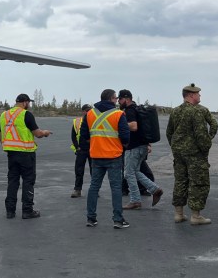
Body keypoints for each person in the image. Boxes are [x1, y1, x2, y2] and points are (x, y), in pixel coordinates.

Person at [165, 84, 218, 225]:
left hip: (179, 153)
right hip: (195, 154)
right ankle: (195, 216)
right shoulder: (196, 112)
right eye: (198, 94)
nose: (200, 96)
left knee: (180, 181)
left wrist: (176, 147)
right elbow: (201, 134)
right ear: (191, 95)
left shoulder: (175, 111)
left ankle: (179, 214)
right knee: (199, 183)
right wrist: (207, 145)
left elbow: (169, 132)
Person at [81, 89, 131, 229]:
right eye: (115, 98)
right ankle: (118, 219)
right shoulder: (118, 114)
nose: (116, 100)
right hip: (114, 155)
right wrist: (123, 146)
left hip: (96, 156)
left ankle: (91, 218)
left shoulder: (90, 113)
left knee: (94, 187)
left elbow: (84, 134)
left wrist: (92, 146)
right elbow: (125, 135)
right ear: (111, 99)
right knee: (115, 188)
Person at [0, 94, 52, 219]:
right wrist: (45, 133)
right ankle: (27, 210)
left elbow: (0, 133)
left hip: (11, 154)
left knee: (12, 181)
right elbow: (37, 133)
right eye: (29, 103)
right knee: (28, 181)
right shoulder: (26, 114)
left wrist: (6, 145)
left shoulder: (4, 115)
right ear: (25, 102)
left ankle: (10, 211)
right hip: (26, 154)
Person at [117, 89, 164, 210]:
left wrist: (118, 124)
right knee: (135, 171)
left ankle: (135, 200)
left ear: (126, 99)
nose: (119, 101)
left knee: (128, 174)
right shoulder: (137, 109)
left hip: (134, 148)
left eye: (120, 99)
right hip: (141, 146)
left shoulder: (130, 110)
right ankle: (155, 189)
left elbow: (133, 126)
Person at [69, 104, 92, 198]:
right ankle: (77, 189)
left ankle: (95, 190)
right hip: (81, 149)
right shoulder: (77, 122)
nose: (88, 112)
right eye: (87, 110)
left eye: (90, 110)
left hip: (93, 149)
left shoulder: (95, 121)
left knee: (94, 171)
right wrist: (77, 147)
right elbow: (73, 136)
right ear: (83, 111)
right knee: (79, 170)